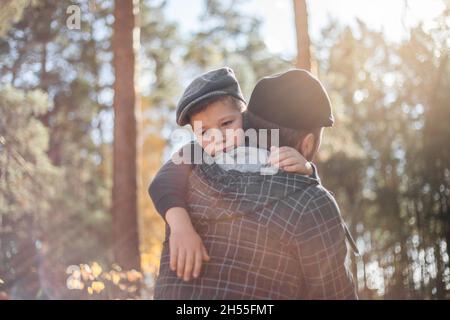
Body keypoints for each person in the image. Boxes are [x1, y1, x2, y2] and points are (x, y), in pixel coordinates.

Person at [150, 68, 358, 299]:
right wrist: (181, 227)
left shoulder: (195, 172)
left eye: (227, 123)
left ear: (244, 118)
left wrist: (307, 171)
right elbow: (162, 180)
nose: (217, 138)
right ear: (307, 144)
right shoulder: (196, 156)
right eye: (204, 132)